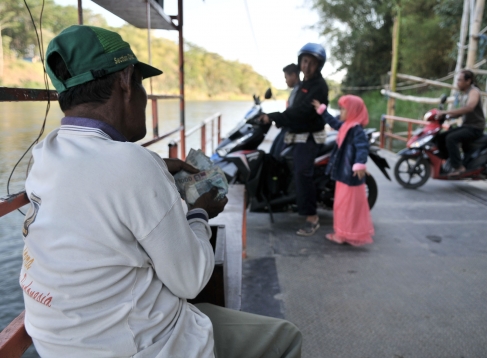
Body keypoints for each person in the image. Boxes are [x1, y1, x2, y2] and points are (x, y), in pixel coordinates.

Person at [20, 25, 302, 358]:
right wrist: (199, 212)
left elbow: (96, 187)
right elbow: (191, 280)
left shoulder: (45, 152)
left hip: (57, 344)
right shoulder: (131, 165)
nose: (143, 97)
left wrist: (155, 166)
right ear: (126, 81)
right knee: (286, 336)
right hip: (139, 347)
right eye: (142, 84)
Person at [261, 43, 329, 236]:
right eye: (305, 61)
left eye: (312, 63)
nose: (307, 66)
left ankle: (311, 217)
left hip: (308, 137)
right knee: (276, 158)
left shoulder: (319, 87)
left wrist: (274, 116)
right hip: (296, 133)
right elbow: (292, 111)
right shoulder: (302, 86)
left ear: (319, 66)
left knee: (302, 172)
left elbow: (302, 113)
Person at [312, 96, 374, 247]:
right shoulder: (347, 125)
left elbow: (362, 148)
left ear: (353, 110)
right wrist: (322, 111)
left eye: (343, 109)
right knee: (344, 205)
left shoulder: (356, 129)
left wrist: (360, 163)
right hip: (343, 174)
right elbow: (334, 123)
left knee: (346, 206)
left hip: (349, 175)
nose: (340, 112)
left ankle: (343, 234)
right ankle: (344, 233)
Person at [435, 70, 486, 175]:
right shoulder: (464, 94)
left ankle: (458, 167)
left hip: (475, 128)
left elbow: (469, 108)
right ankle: (450, 162)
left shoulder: (474, 92)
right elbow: (461, 112)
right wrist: (447, 115)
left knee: (451, 138)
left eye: (459, 80)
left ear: (468, 81)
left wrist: (446, 112)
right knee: (441, 137)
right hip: (467, 126)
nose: (457, 82)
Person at [269, 63, 301, 159]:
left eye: (286, 77)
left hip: (291, 129)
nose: (285, 81)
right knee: (274, 149)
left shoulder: (300, 91)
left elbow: (294, 113)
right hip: (287, 126)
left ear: (293, 76)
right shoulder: (295, 90)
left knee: (276, 154)